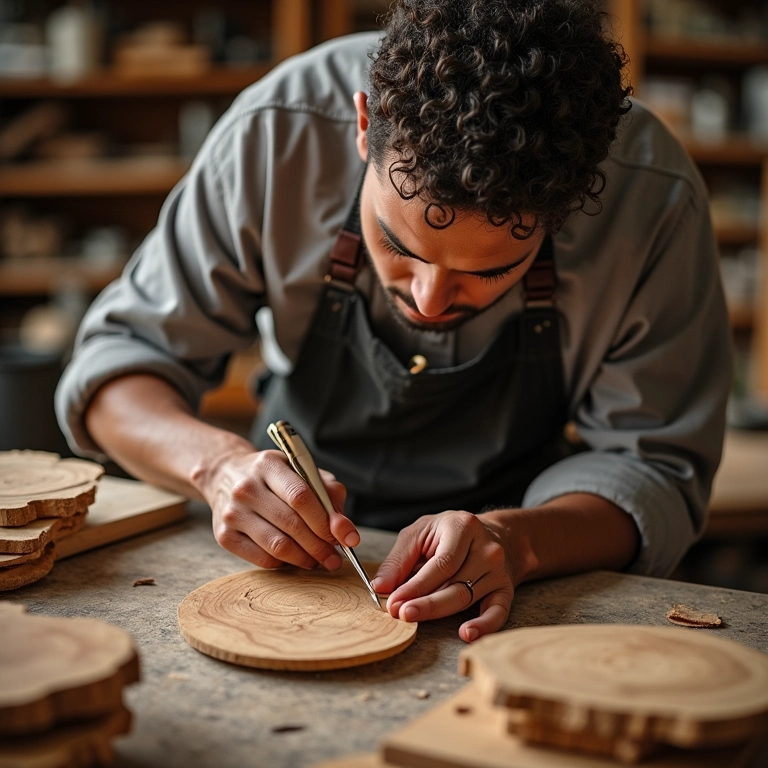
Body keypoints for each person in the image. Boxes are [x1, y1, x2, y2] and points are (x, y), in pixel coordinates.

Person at [55, 0, 732, 643]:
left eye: (489, 271)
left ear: (569, 207)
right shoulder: (278, 130)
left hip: (524, 551)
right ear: (361, 126)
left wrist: (515, 541)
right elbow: (116, 367)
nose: (431, 302)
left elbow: (654, 467)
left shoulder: (651, 197)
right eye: (399, 246)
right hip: (289, 540)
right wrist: (217, 468)